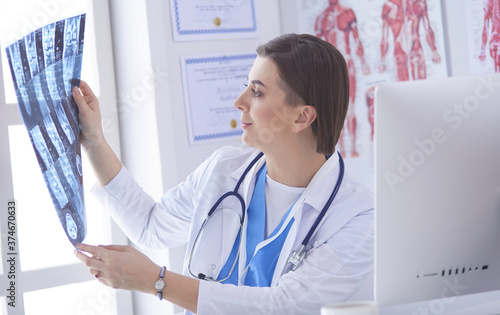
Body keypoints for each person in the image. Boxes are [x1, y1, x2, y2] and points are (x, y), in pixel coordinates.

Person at [74, 33, 374, 314]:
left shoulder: (358, 215)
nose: (239, 101)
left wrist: (157, 281)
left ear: (302, 116)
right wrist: (94, 141)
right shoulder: (224, 169)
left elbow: (285, 305)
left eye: (256, 92)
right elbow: (152, 227)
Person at [314, 0, 371, 158]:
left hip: (348, 63)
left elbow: (357, 39)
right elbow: (315, 49)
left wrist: (364, 62)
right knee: (333, 109)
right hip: (328, 68)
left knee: (350, 107)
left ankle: (352, 147)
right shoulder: (321, 18)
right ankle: (341, 150)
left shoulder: (348, 13)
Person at [479, 0, 500, 72]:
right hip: (495, 42)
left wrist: (482, 51)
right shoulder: (488, 2)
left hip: (494, 41)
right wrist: (482, 51)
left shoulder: (488, 2)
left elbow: (486, 29)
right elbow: (486, 29)